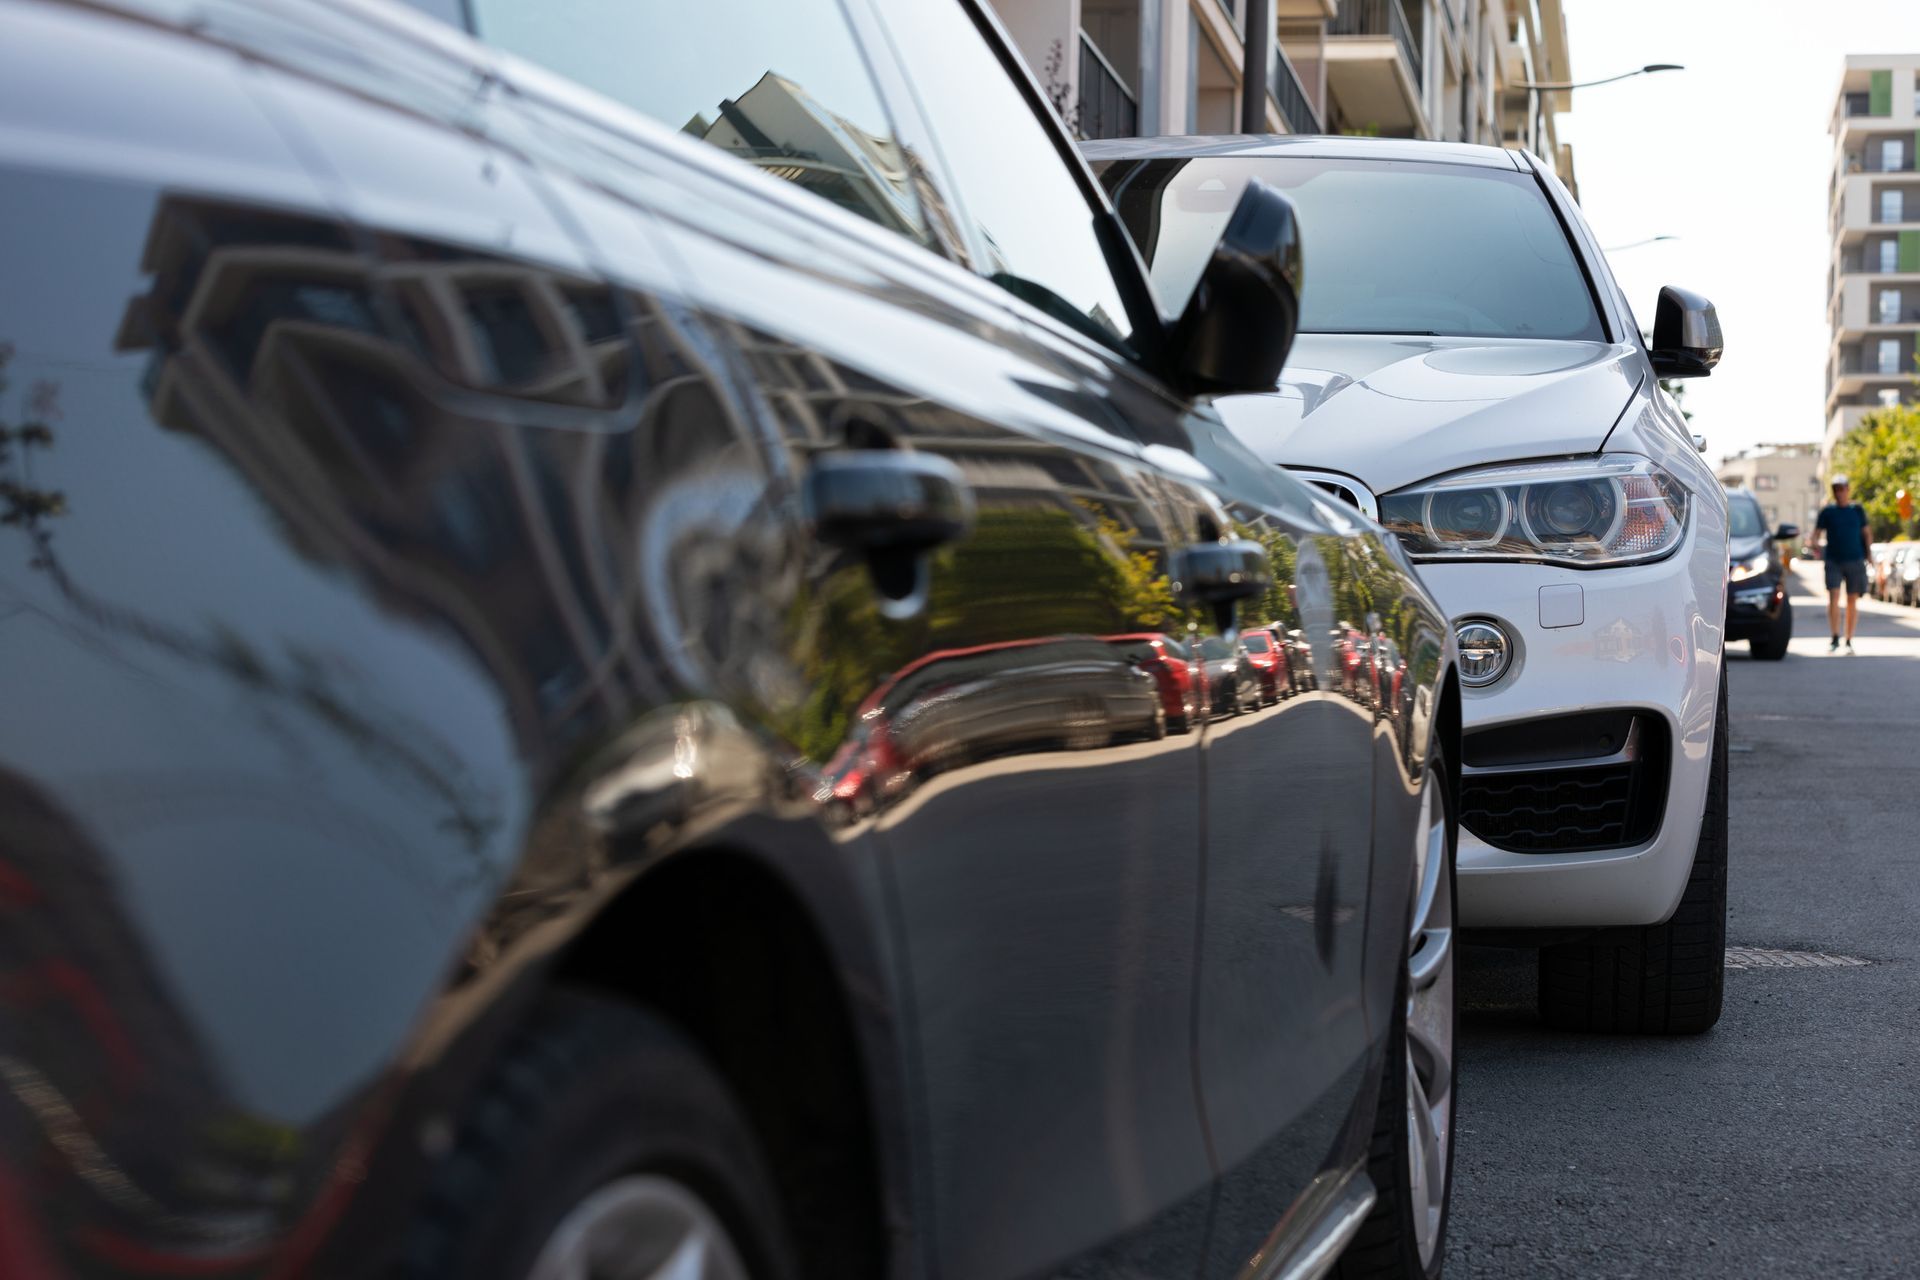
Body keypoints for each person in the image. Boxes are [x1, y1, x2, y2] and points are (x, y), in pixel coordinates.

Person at [1814, 475, 1871, 653]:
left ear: (1848, 489)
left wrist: (1869, 554)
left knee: (1852, 600)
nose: (1839, 493)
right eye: (1836, 489)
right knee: (1834, 597)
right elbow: (1815, 535)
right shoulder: (1828, 512)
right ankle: (1834, 637)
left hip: (1855, 559)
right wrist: (1817, 548)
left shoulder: (1857, 510)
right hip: (1833, 560)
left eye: (1842, 488)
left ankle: (1849, 640)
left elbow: (1866, 533)